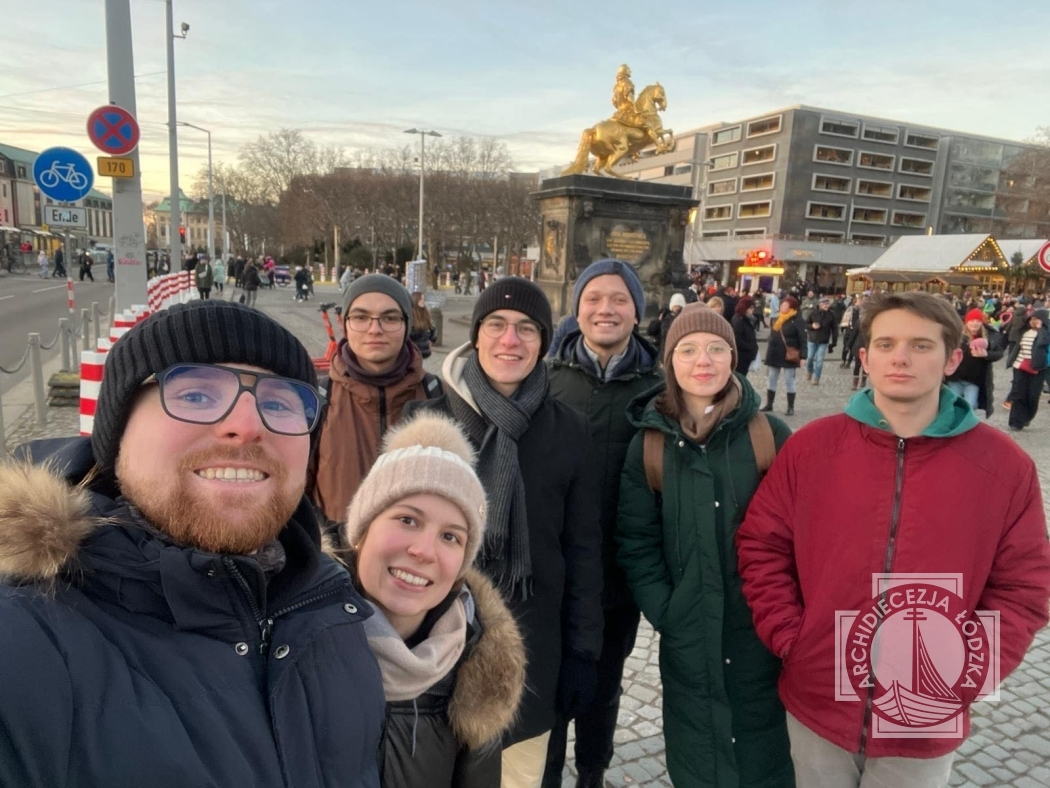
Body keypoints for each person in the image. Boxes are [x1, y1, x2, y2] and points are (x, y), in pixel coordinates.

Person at [0, 300, 386, 786]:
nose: (248, 425)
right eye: (197, 395)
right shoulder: (24, 648)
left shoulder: (334, 613)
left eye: (278, 403)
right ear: (117, 435)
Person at [738, 291, 1050, 788]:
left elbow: (1024, 586)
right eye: (886, 344)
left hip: (925, 716)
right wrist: (792, 638)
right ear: (865, 357)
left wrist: (970, 670)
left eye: (920, 345)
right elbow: (763, 545)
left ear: (952, 359)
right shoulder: (812, 448)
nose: (900, 357)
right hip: (819, 698)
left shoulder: (1004, 467)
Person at [405, 278, 603, 788]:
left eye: (526, 328)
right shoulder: (427, 420)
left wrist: (583, 653)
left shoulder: (571, 431)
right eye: (496, 324)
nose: (510, 340)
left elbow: (583, 552)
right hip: (436, 650)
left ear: (543, 343)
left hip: (532, 653)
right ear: (476, 335)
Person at [617, 304, 794, 787]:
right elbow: (636, 541)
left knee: (766, 754)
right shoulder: (650, 445)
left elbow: (798, 536)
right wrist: (668, 610)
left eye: (717, 348)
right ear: (669, 361)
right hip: (689, 634)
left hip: (759, 632)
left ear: (733, 357)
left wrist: (783, 616)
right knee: (697, 754)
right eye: (688, 349)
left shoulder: (769, 436)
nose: (703, 360)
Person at [330, 414, 526, 787]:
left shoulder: (479, 675)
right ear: (362, 531)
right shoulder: (293, 645)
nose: (424, 551)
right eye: (407, 520)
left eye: (451, 536)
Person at [544, 260, 662, 788]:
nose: (605, 309)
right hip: (555, 570)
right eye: (593, 298)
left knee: (604, 685)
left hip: (618, 575)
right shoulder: (546, 379)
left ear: (637, 311)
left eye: (619, 299)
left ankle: (592, 772)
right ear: (578, 310)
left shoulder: (661, 387)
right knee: (549, 684)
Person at [309, 275, 442, 526]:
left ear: (406, 324)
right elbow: (294, 492)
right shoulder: (318, 398)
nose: (374, 329)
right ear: (346, 324)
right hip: (336, 548)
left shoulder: (437, 394)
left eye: (389, 318)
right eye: (361, 317)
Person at [945, 308, 1004, 417]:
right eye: (972, 321)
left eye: (978, 321)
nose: (974, 323)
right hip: (955, 377)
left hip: (974, 380)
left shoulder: (989, 336)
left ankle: (965, 422)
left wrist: (986, 354)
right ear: (966, 322)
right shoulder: (957, 334)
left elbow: (999, 353)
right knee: (954, 403)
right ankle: (955, 423)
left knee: (971, 405)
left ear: (982, 322)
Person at [762, 295, 807, 416]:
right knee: (772, 378)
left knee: (789, 380)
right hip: (775, 353)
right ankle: (769, 404)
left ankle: (790, 406)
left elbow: (803, 339)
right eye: (781, 305)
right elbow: (772, 335)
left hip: (789, 354)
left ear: (792, 307)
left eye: (785, 305)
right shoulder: (777, 318)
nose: (782, 307)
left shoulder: (798, 320)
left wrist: (803, 356)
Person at [1006, 309, 1050, 431]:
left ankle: (1027, 417)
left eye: (1036, 319)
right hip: (1020, 366)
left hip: (1038, 368)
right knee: (1018, 394)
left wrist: (1041, 329)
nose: (1033, 322)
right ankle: (1015, 422)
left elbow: (1043, 342)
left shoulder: (1045, 333)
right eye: (1031, 319)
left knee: (1033, 396)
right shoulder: (1024, 332)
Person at [804, 296, 837, 386]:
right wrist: (812, 326)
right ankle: (809, 371)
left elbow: (834, 329)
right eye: (825, 304)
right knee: (809, 358)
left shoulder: (831, 315)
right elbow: (806, 324)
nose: (827, 306)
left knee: (819, 360)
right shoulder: (813, 313)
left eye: (828, 304)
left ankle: (816, 377)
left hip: (823, 340)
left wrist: (834, 341)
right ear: (820, 304)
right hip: (812, 339)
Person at [732, 295, 759, 375]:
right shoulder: (739, 320)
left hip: (746, 355)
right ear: (745, 308)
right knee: (740, 375)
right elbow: (737, 339)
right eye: (750, 308)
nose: (753, 310)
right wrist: (750, 347)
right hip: (742, 355)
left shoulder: (747, 319)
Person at [408, 290, 436, 359]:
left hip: (424, 350)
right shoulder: (410, 314)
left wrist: (432, 338)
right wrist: (422, 332)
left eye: (423, 299)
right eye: (421, 299)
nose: (423, 301)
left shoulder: (426, 312)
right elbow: (409, 334)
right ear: (416, 300)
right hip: (413, 351)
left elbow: (432, 328)